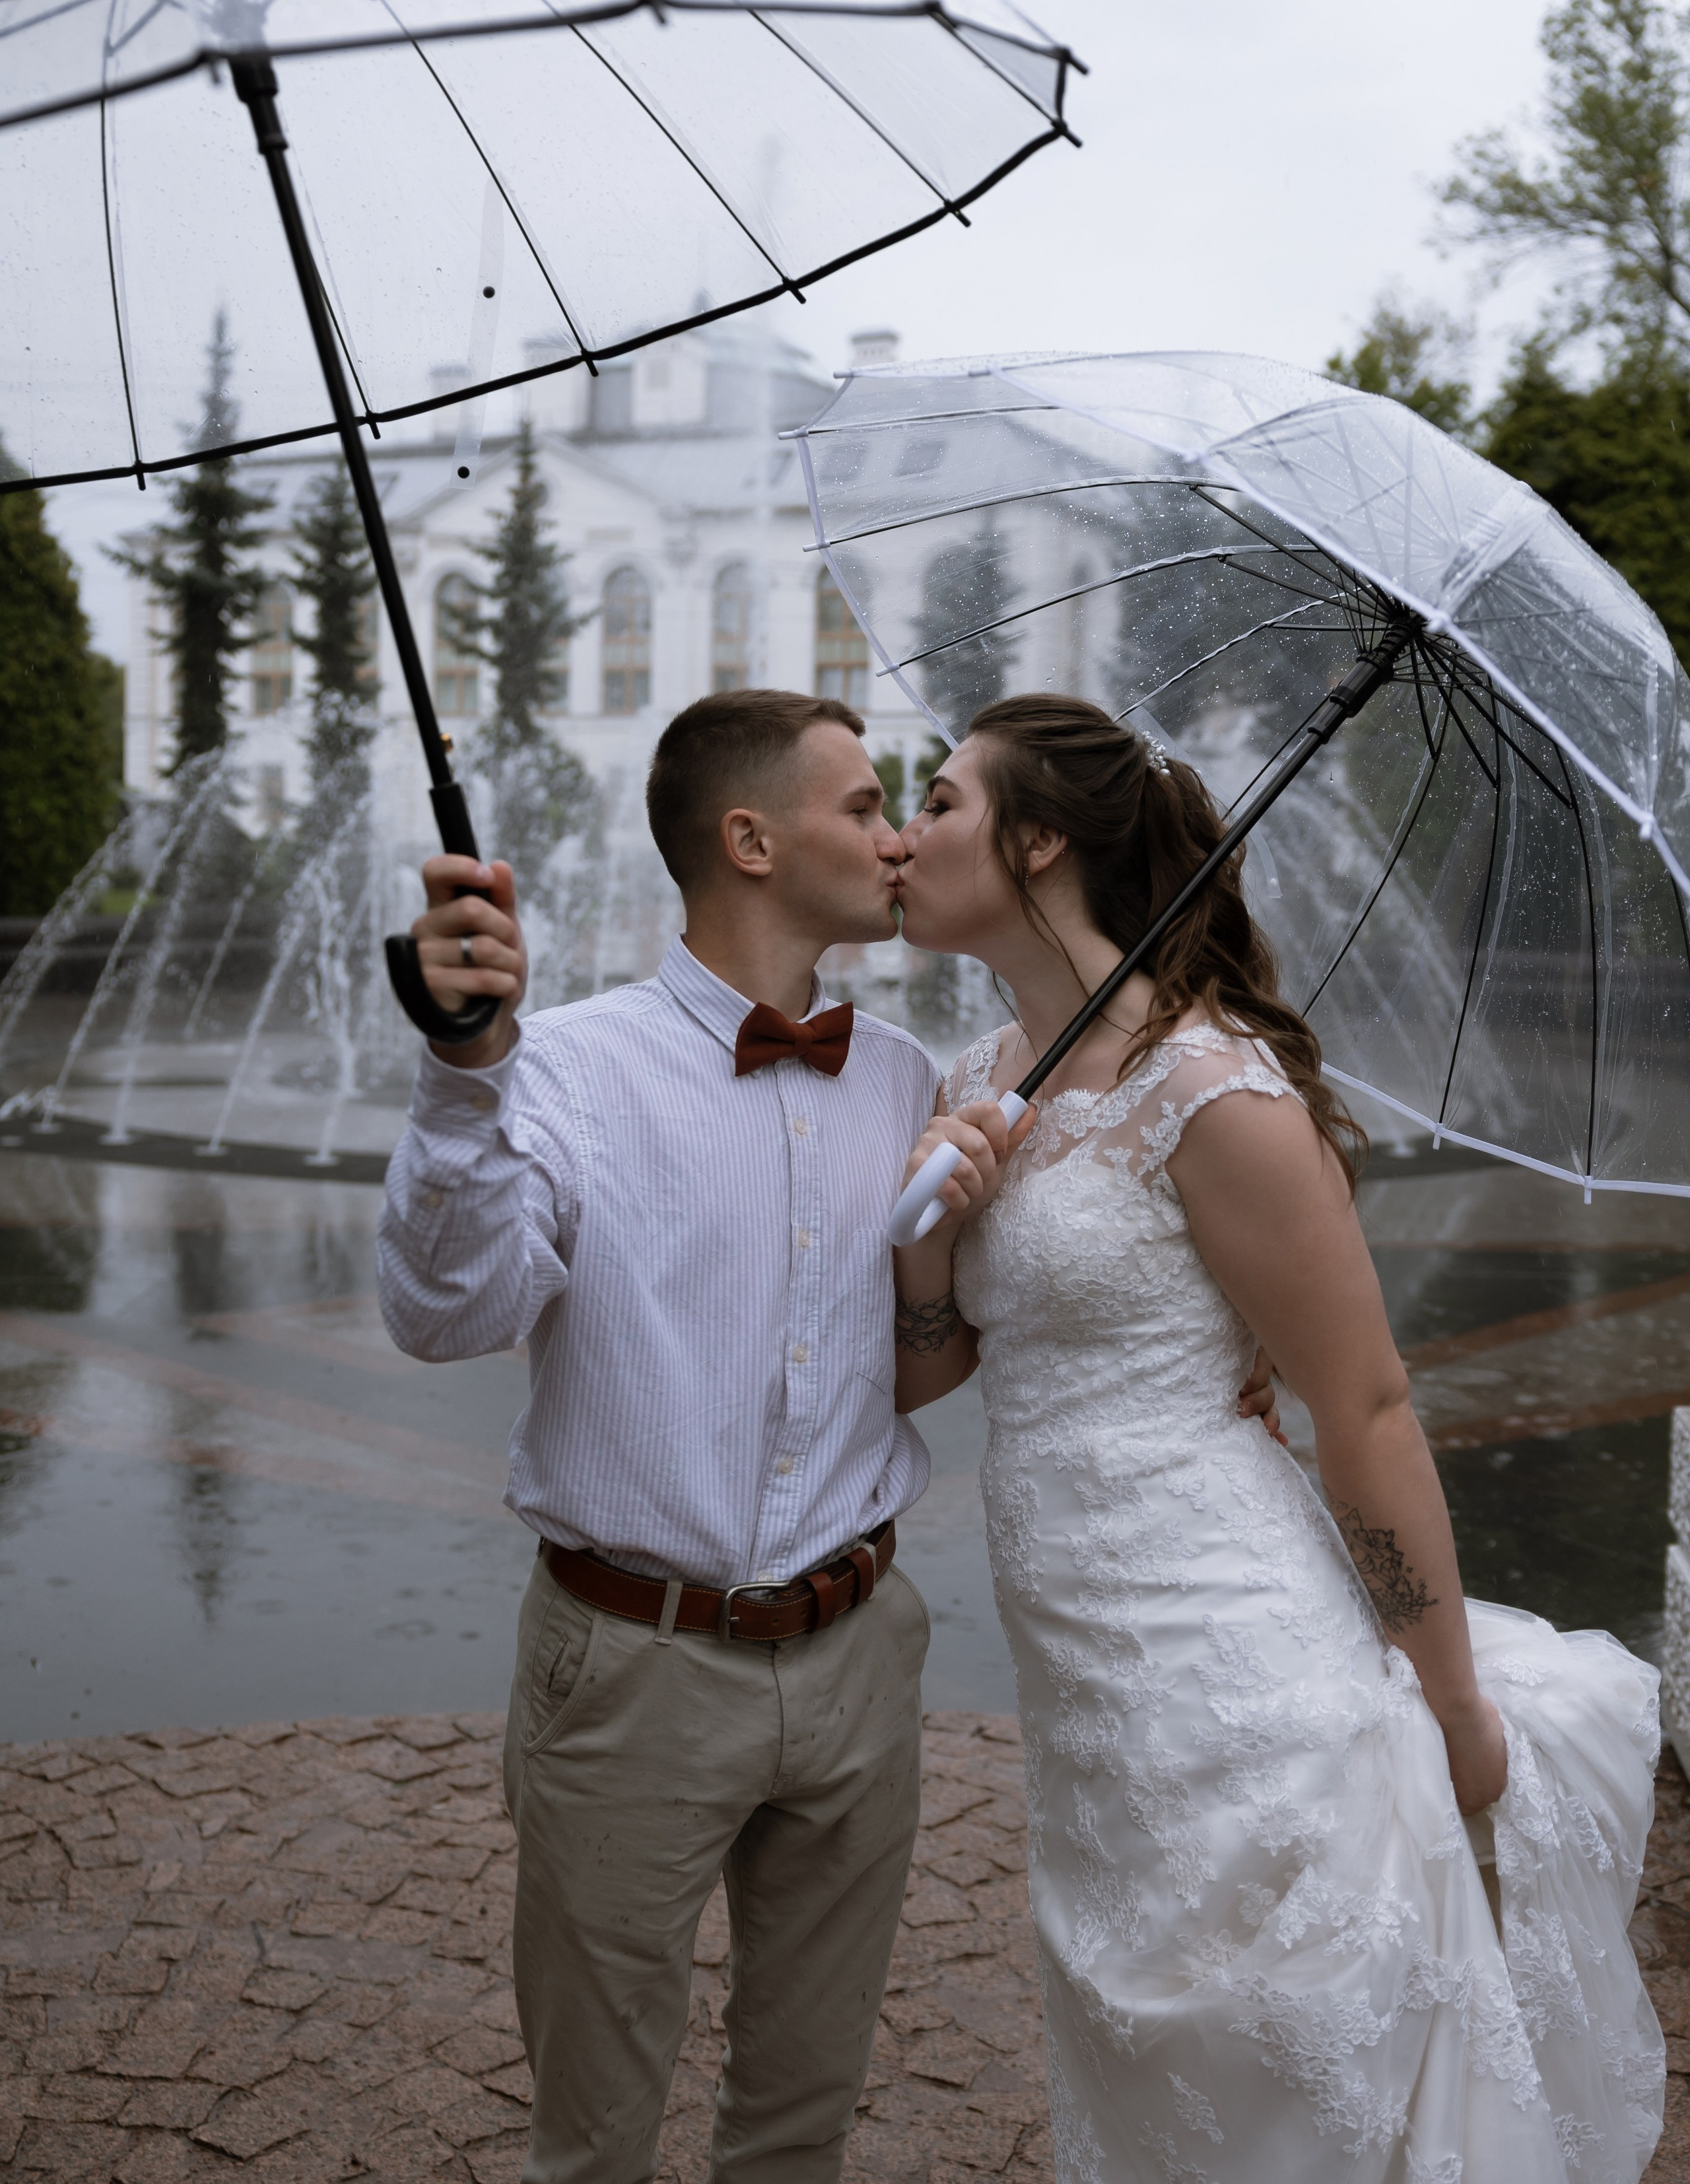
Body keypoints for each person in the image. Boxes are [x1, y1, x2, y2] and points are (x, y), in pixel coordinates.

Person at [375, 685, 1281, 2184]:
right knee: (593, 2133)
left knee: (801, 2116)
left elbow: (994, 1308)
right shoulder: (572, 1072)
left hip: (861, 1649)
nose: (896, 834)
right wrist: (465, 1064)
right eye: (862, 806)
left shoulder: (915, 1080)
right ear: (748, 837)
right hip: (632, 1665)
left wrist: (1224, 1345)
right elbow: (444, 1312)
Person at [889, 692, 1664, 2184]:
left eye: (935, 801)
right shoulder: (978, 1079)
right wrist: (930, 1231)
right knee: (1146, 2042)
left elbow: (1363, 1402)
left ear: (1037, 839)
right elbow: (932, 1374)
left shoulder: (1212, 1089)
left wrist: (1449, 1715)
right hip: (1082, 1682)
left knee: (1281, 2030)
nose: (901, 838)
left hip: (1224, 1644)